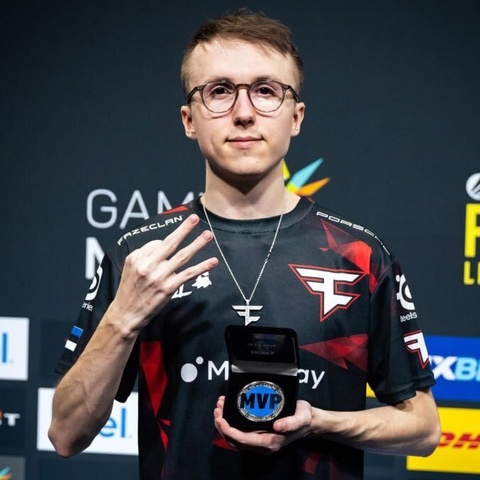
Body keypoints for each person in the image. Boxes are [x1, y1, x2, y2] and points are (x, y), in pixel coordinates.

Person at [48, 8, 441, 480]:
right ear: (189, 119)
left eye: (266, 90)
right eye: (219, 91)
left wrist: (317, 421)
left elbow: (423, 430)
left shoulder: (360, 256)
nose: (244, 112)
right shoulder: (144, 254)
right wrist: (122, 319)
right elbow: (65, 435)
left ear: (296, 117)